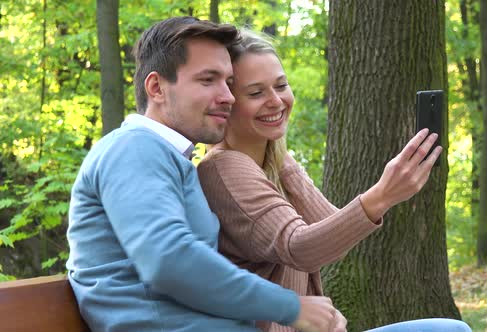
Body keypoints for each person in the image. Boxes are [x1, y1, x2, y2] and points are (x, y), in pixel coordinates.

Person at [66, 17, 342, 332]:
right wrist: (290, 307)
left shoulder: (172, 161)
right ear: (157, 88)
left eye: (227, 81)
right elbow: (169, 260)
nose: (228, 96)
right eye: (208, 80)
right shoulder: (134, 148)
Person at [197, 30, 472, 332]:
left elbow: (331, 236)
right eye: (256, 93)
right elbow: (300, 247)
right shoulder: (224, 168)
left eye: (281, 86)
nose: (276, 101)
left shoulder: (270, 162)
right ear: (228, 102)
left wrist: (283, 162)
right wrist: (383, 195)